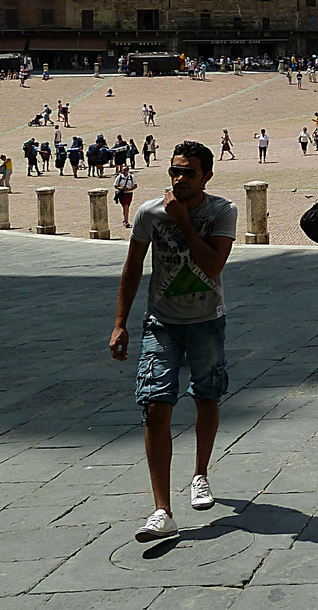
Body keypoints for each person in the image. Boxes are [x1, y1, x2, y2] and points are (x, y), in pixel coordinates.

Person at [109, 141, 237, 542]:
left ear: (207, 176)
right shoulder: (148, 213)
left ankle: (200, 474)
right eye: (174, 172)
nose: (179, 179)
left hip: (206, 321)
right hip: (160, 323)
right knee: (155, 405)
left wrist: (182, 221)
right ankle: (162, 509)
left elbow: (214, 264)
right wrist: (119, 323)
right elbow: (132, 269)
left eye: (189, 173)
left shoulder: (222, 211)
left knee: (207, 398)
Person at [114, 163, 138, 228]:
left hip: (129, 193)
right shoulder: (119, 177)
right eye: (122, 170)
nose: (123, 171)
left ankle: (125, 219)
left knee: (127, 207)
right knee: (125, 206)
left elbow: (135, 185)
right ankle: (126, 221)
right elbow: (115, 185)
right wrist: (121, 188)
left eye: (124, 170)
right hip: (122, 194)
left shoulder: (131, 177)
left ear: (127, 170)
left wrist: (129, 189)